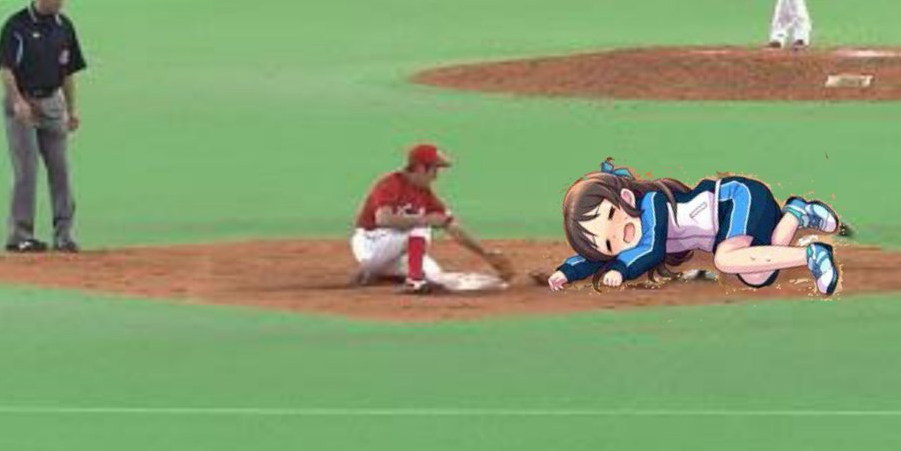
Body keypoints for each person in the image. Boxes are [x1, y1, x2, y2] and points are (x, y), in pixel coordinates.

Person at [547, 160, 843, 297]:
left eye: (613, 216)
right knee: (757, 275)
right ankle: (795, 214)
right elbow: (597, 256)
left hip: (737, 199)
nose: (618, 233)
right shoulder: (627, 247)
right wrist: (568, 271)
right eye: (611, 243)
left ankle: (812, 255)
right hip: (732, 226)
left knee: (726, 259)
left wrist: (622, 269)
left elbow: (652, 248)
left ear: (626, 198)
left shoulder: (652, 204)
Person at [0, 0, 86, 253]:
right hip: (23, 104)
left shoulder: (64, 27)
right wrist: (17, 101)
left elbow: (68, 72)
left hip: (53, 103)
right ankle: (20, 235)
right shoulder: (17, 25)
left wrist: (71, 110)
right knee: (26, 171)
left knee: (60, 170)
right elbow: (5, 68)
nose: (59, 0)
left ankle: (64, 235)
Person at [350, 144, 513, 293]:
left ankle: (383, 274)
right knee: (421, 225)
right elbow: (383, 219)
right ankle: (408, 279)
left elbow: (451, 225)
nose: (436, 176)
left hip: (397, 250)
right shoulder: (390, 184)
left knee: (434, 274)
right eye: (435, 170)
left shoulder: (425, 193)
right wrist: (424, 220)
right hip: (372, 244)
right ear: (421, 168)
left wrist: (485, 253)